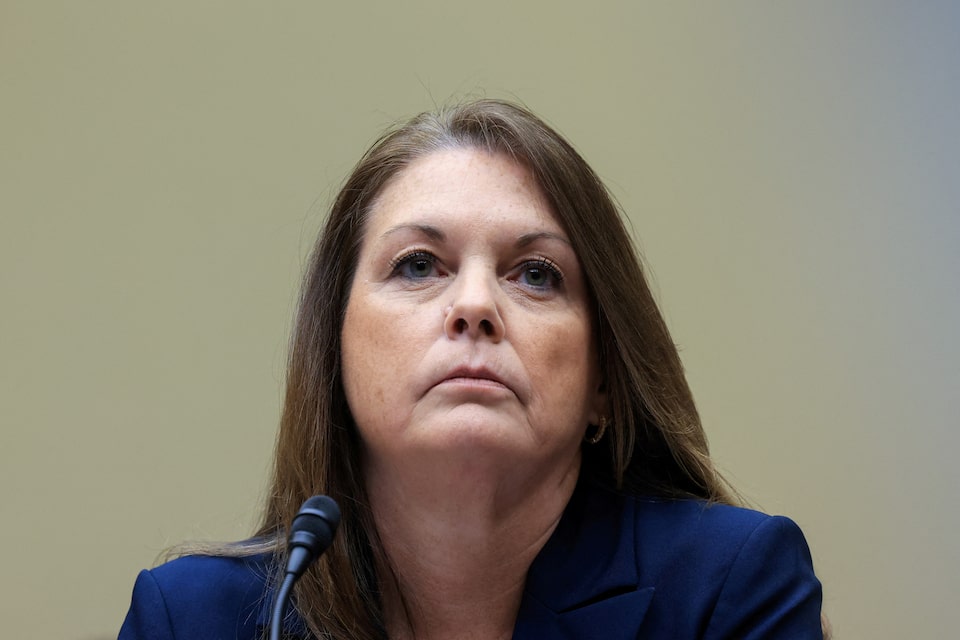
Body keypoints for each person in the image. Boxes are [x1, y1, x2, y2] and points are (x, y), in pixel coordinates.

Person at [119, 99, 825, 639]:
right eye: (418, 265)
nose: (475, 304)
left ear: (603, 384)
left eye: (537, 274)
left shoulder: (729, 588)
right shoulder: (191, 619)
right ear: (334, 353)